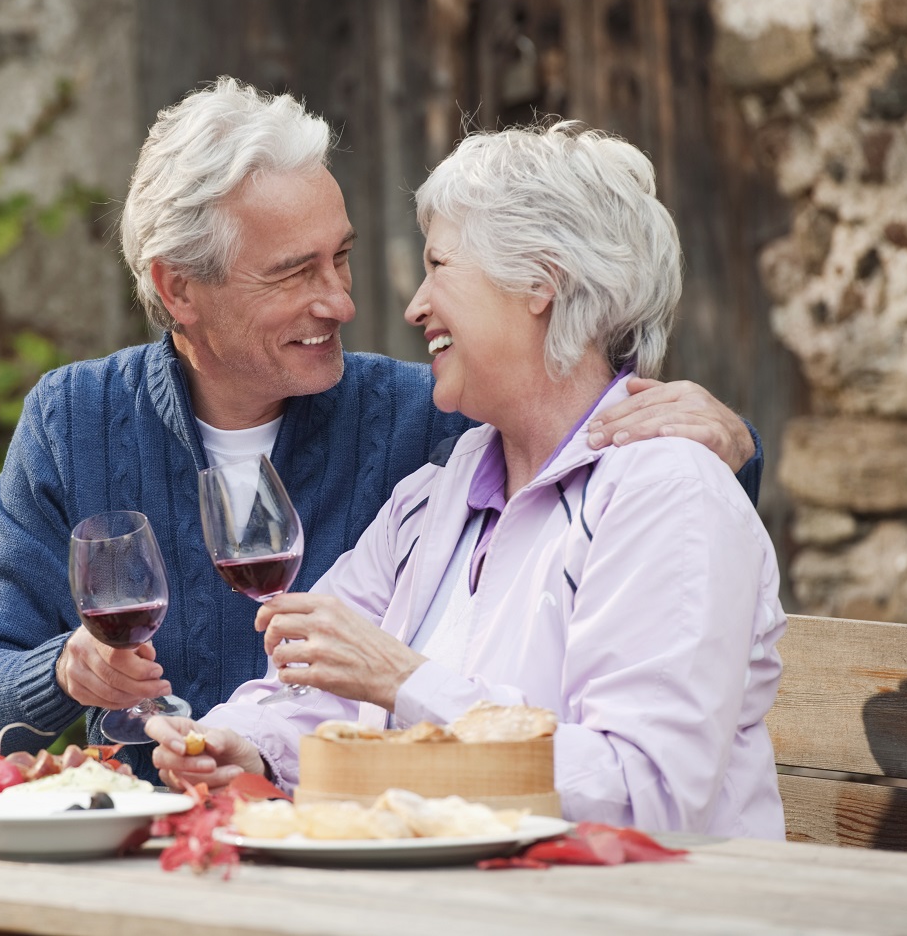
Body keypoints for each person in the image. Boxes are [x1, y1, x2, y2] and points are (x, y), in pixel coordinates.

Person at [0, 77, 765, 779]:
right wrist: (85, 680)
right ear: (179, 289)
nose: (349, 303)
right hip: (179, 852)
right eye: (296, 271)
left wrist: (731, 460)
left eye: (344, 256)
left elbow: (647, 519)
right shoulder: (78, 420)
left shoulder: (426, 425)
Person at [147, 121, 787, 838]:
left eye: (440, 266)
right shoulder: (436, 495)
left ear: (541, 281)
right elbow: (318, 678)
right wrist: (248, 744)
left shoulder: (666, 492)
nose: (415, 305)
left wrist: (407, 682)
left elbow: (648, 796)